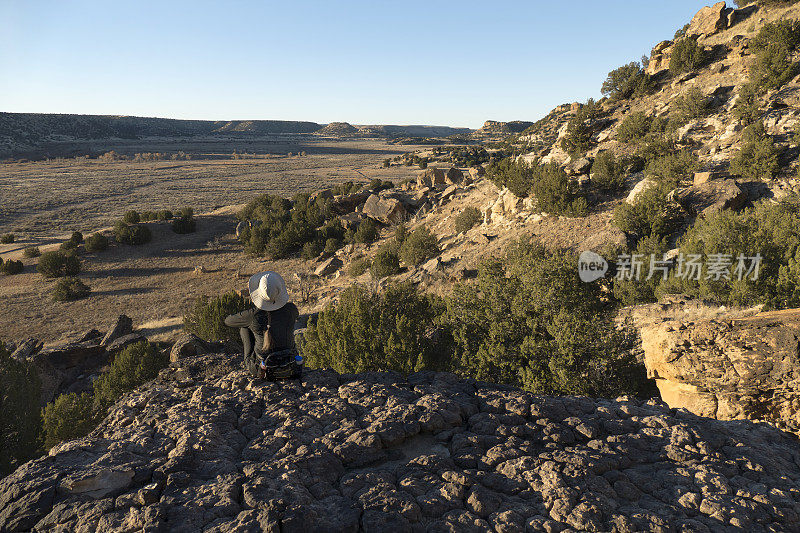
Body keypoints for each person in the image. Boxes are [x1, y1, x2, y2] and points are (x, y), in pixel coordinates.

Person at [224, 271, 299, 379]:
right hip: (290, 364)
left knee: (244, 326)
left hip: (263, 369)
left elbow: (228, 321)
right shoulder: (291, 310)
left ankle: (255, 363)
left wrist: (247, 314)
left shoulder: (253, 315)